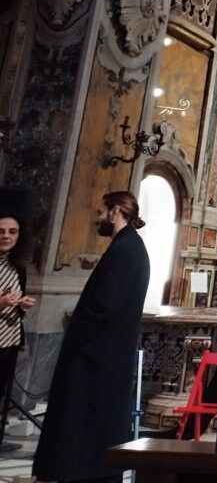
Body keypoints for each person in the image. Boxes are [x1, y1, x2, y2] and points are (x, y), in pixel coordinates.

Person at [33, 191, 150, 483]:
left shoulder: (125, 250)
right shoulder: (130, 246)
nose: (97, 219)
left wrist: (78, 334)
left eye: (100, 212)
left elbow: (105, 303)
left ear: (115, 211)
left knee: (85, 424)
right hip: (104, 353)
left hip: (97, 355)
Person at [0, 213, 35, 444]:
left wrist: (23, 305)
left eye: (12, 232)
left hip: (8, 338)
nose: (6, 236)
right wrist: (2, 302)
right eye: (1, 231)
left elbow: (18, 298)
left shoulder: (18, 266)